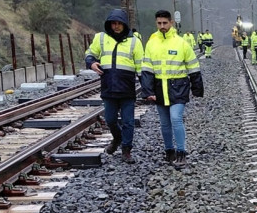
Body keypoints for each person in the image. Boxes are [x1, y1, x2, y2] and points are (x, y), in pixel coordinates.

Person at [86, 9, 150, 163]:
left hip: (127, 89)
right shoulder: (101, 38)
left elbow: (141, 68)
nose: (116, 26)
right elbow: (90, 53)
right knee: (110, 119)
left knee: (128, 122)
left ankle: (126, 150)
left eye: (119, 23)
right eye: (113, 23)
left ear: (124, 25)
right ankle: (117, 138)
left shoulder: (134, 41)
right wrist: (91, 63)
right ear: (109, 24)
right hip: (108, 87)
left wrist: (147, 90)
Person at [143, 10, 204, 167]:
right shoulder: (151, 43)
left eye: (165, 23)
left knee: (176, 118)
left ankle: (181, 152)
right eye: (159, 23)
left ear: (171, 23)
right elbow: (147, 68)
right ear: (156, 23)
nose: (162, 26)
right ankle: (169, 151)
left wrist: (197, 88)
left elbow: (193, 66)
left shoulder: (181, 43)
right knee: (164, 122)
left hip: (178, 87)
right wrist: (148, 91)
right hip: (159, 88)